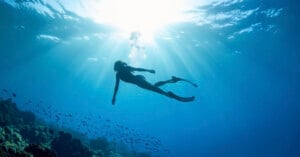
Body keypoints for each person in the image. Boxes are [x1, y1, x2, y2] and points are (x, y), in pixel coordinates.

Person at [112, 60, 197, 105]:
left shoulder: (125, 69)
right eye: (117, 66)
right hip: (139, 81)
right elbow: (116, 86)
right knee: (154, 87)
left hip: (139, 80)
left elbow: (138, 69)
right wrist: (114, 96)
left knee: (154, 89)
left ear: (120, 65)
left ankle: (168, 94)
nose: (118, 67)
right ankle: (171, 80)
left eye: (119, 65)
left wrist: (149, 70)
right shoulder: (118, 74)